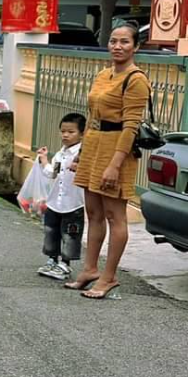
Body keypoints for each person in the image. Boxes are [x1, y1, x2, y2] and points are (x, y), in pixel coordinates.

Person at [64, 21, 151, 299]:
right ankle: (90, 269)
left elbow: (131, 126)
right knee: (93, 213)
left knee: (115, 216)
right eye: (114, 40)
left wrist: (115, 164)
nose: (117, 46)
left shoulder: (136, 79)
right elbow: (92, 118)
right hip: (94, 145)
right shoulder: (103, 75)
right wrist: (81, 152)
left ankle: (109, 276)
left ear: (136, 46)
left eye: (125, 41)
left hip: (117, 150)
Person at [34, 113, 86, 281]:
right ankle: (51, 259)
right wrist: (43, 159)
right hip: (55, 202)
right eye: (63, 131)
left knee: (70, 235)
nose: (65, 135)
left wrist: (80, 167)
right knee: (51, 232)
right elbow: (52, 173)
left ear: (82, 133)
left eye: (71, 132)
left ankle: (65, 264)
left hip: (74, 204)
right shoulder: (60, 154)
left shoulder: (83, 154)